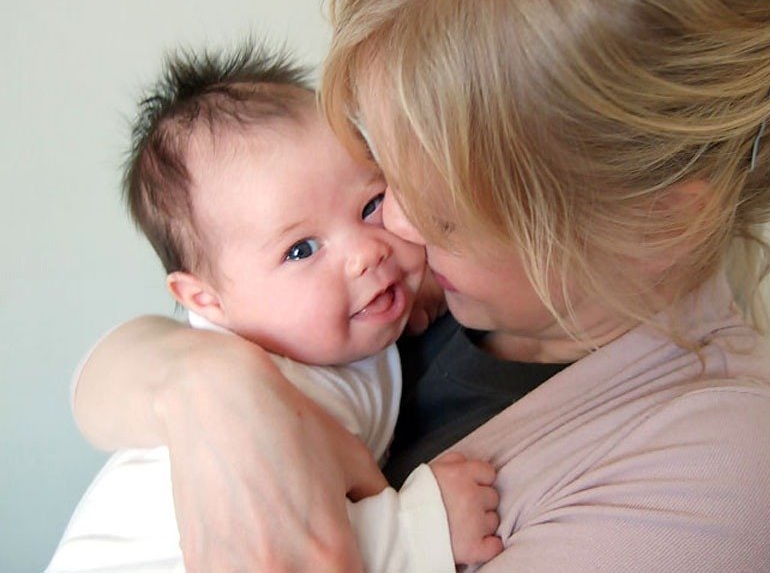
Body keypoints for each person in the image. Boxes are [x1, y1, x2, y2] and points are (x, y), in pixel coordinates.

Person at [72, 0, 770, 571]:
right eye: (385, 164)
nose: (392, 222)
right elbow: (102, 384)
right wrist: (207, 382)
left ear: (654, 218)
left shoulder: (735, 482)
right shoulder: (426, 289)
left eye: (445, 205)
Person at [48, 44, 501, 573]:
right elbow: (287, 538)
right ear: (206, 301)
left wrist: (415, 290)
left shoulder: (308, 331)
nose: (366, 253)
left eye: (370, 205)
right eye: (301, 250)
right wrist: (420, 529)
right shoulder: (277, 392)